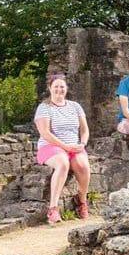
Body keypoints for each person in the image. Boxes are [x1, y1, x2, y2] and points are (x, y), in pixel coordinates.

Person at [33, 73, 92, 225]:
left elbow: (84, 130)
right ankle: (53, 208)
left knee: (83, 165)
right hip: (50, 146)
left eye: (62, 86)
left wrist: (82, 143)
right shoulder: (44, 107)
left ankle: (82, 201)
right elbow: (45, 133)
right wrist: (65, 146)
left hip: (73, 146)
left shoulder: (75, 106)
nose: (59, 89)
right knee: (63, 163)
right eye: (56, 86)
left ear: (66, 89)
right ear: (50, 88)